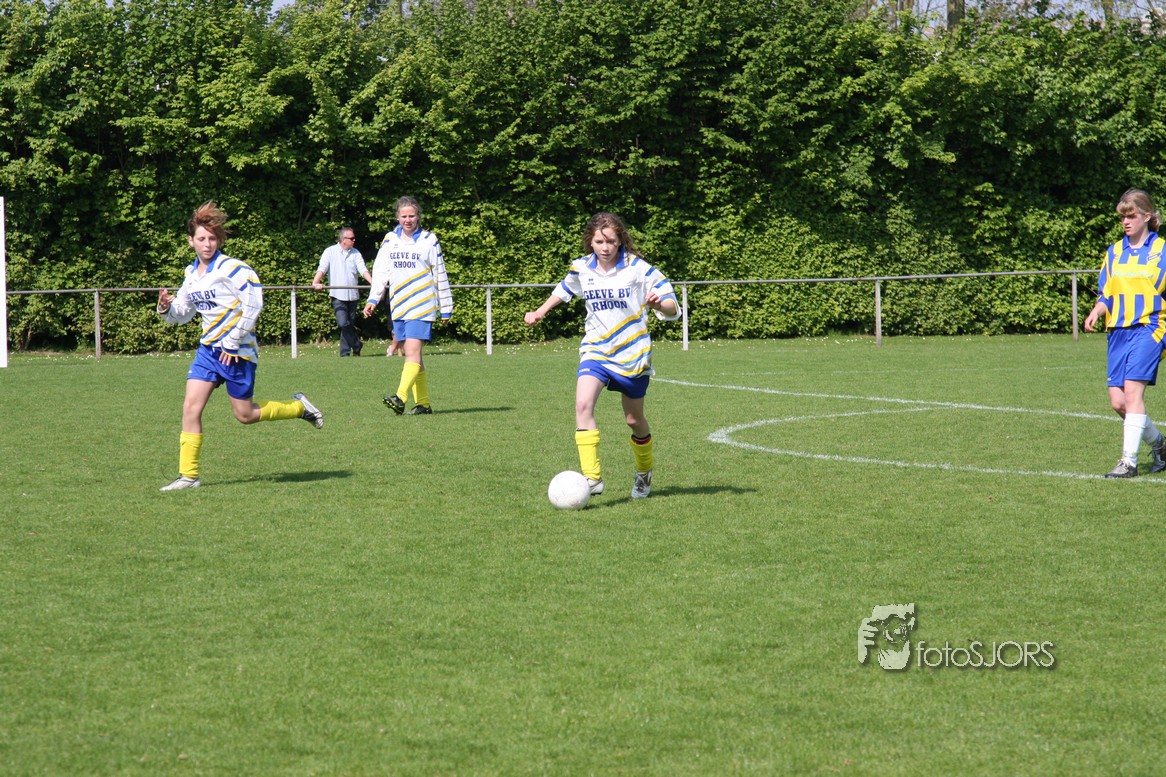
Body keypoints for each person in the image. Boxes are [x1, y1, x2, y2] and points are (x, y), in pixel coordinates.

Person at [156, 201, 324, 491]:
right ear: (190, 241)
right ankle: (188, 476)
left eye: (212, 238)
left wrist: (232, 342)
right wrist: (164, 308)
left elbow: (254, 304)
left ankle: (299, 407)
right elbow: (182, 315)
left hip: (237, 353)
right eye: (201, 238)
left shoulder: (234, 269)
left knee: (245, 415)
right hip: (208, 351)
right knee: (190, 407)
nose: (207, 244)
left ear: (219, 240)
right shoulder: (191, 275)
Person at [523, 211, 680, 499]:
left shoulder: (639, 269)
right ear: (590, 242)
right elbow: (564, 289)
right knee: (583, 404)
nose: (605, 247)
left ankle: (644, 472)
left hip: (633, 355)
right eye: (599, 242)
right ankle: (592, 478)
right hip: (596, 349)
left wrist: (660, 305)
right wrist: (540, 311)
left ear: (620, 240)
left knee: (634, 420)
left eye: (610, 241)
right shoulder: (582, 268)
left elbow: (672, 306)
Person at [1084, 188, 1166, 478]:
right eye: (1123, 217)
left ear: (1147, 216)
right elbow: (1106, 293)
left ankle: (1128, 462)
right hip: (1118, 331)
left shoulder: (1161, 250)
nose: (1126, 222)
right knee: (1119, 402)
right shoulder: (1115, 251)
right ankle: (1160, 445)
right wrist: (1097, 311)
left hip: (1150, 327)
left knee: (1132, 391)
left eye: (1131, 216)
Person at [362, 196, 453, 414]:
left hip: (422, 304)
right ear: (397, 217)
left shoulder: (429, 240)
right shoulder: (389, 240)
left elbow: (440, 272)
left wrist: (446, 306)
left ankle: (400, 397)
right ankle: (423, 404)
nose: (408, 220)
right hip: (399, 305)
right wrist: (373, 298)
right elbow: (381, 271)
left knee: (411, 350)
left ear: (418, 216)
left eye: (412, 215)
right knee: (415, 355)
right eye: (404, 216)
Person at [312, 227, 372, 356]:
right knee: (343, 323)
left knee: (349, 324)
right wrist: (315, 282)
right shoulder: (330, 251)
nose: (354, 240)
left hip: (353, 295)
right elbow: (322, 268)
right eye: (351, 238)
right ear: (343, 239)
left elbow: (362, 269)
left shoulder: (356, 253)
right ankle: (357, 344)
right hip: (338, 294)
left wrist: (373, 282)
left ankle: (345, 353)